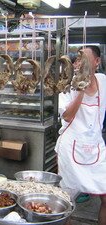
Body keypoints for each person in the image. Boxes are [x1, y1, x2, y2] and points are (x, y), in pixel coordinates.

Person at [55, 45, 106, 225]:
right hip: (71, 149)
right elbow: (67, 116)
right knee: (67, 201)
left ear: (97, 62)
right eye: (77, 59)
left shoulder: (103, 81)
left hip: (95, 149)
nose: (78, 63)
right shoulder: (68, 85)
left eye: (83, 59)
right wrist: (81, 89)